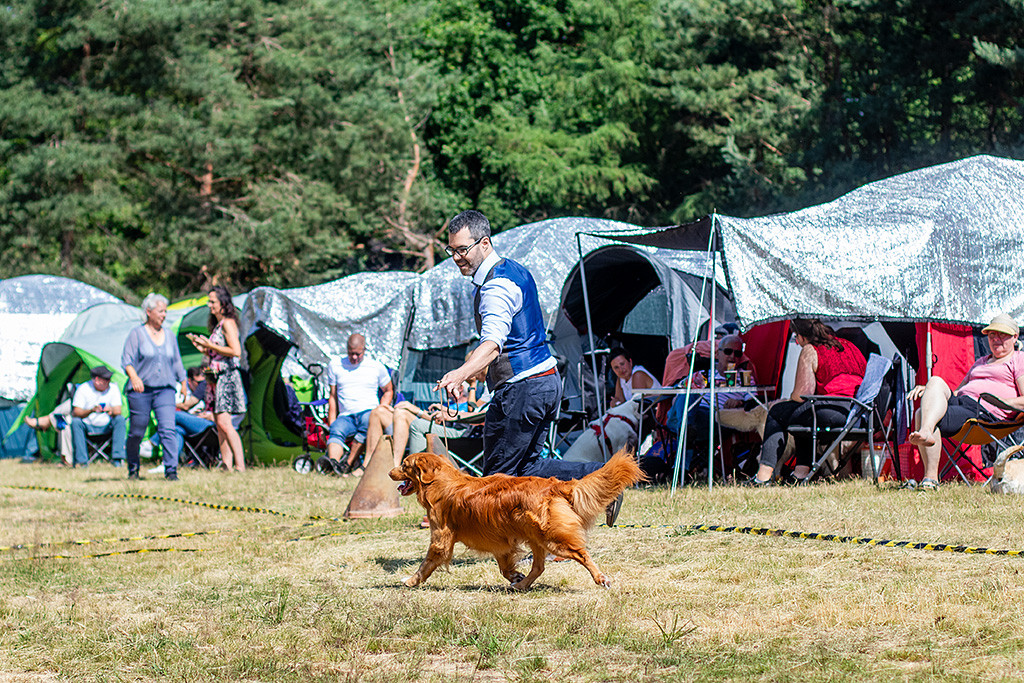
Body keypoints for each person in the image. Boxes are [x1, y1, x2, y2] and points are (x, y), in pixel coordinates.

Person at [437, 210, 622, 523]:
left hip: (523, 390)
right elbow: (509, 339)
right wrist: (471, 373)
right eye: (451, 250)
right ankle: (602, 480)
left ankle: (507, 553)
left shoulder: (496, 286)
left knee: (496, 482)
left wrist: (460, 373)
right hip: (544, 382)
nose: (456, 257)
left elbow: (493, 344)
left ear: (484, 243)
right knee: (529, 470)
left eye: (462, 250)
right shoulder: (514, 270)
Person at [907, 313, 1024, 490]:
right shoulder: (981, 362)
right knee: (935, 381)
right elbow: (957, 392)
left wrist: (1000, 401)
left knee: (921, 414)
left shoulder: (1018, 359)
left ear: (1015, 337)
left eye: (1002, 334)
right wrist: (930, 391)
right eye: (992, 335)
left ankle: (930, 478)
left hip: (985, 413)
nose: (996, 339)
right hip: (964, 403)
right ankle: (926, 432)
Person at [750, 318, 867, 485]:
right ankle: (800, 474)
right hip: (858, 413)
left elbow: (801, 395)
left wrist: (789, 398)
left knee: (778, 412)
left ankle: (762, 477)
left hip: (832, 411)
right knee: (802, 412)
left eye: (796, 337)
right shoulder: (849, 346)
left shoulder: (811, 350)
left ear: (803, 337)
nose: (796, 343)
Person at [122, 293, 186, 480]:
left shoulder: (170, 336)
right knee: (137, 431)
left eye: (165, 311)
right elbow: (127, 360)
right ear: (149, 312)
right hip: (140, 391)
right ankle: (133, 468)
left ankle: (171, 471)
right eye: (160, 311)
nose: (164, 315)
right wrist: (134, 377)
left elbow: (177, 362)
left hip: (165, 389)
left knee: (168, 428)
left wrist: (183, 382)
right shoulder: (137, 334)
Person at [189, 285, 247, 472]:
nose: (209, 305)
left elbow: (235, 351)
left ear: (223, 303)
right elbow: (217, 352)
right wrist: (203, 347)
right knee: (219, 423)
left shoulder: (228, 323)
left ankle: (240, 465)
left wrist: (209, 344)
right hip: (214, 379)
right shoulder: (217, 325)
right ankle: (226, 464)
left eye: (212, 301)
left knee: (224, 422)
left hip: (226, 378)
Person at [323, 333, 394, 475]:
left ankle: (347, 464)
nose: (354, 357)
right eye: (351, 354)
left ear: (364, 350)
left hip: (368, 411)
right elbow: (332, 396)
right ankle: (333, 466)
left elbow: (389, 390)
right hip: (346, 415)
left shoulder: (375, 366)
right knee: (336, 429)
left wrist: (381, 408)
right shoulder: (335, 365)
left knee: (366, 425)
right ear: (346, 349)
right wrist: (332, 420)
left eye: (357, 354)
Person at [146, 365, 215, 471]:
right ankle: (168, 464)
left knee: (174, 415)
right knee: (176, 429)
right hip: (202, 423)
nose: (201, 385)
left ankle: (152, 442)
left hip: (211, 426)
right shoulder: (207, 387)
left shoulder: (219, 388)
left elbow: (186, 406)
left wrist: (211, 415)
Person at [70, 366, 127, 467]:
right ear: (97, 380)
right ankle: (82, 461)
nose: (109, 381)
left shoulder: (113, 388)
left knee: (120, 420)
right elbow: (76, 412)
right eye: (106, 379)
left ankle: (118, 458)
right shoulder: (84, 389)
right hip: (88, 426)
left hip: (107, 426)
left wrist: (110, 410)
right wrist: (91, 410)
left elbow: (118, 410)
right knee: (75, 422)